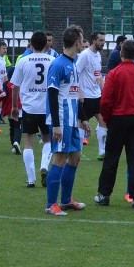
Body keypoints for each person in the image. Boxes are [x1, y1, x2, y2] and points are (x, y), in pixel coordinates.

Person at [94, 39, 134, 208]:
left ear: (121, 53)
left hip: (118, 119)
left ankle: (104, 195)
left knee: (111, 158)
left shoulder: (114, 73)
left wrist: (107, 118)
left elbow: (105, 100)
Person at [44, 24, 88, 216]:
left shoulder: (74, 63)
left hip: (72, 119)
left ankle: (66, 200)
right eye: (82, 40)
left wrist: (83, 118)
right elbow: (52, 96)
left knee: (75, 157)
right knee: (60, 158)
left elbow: (75, 94)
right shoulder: (58, 64)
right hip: (61, 119)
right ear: (77, 42)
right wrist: (55, 125)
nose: (84, 44)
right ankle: (51, 205)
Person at [10, 31, 55, 188]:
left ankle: (31, 180)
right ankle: (44, 166)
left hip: (29, 107)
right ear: (46, 44)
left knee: (28, 141)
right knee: (48, 139)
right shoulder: (52, 60)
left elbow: (15, 86)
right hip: (47, 108)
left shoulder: (23, 60)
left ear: (30, 43)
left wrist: (15, 106)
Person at [76, 31, 107, 159]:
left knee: (103, 122)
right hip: (86, 96)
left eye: (104, 40)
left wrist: (103, 90)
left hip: (97, 95)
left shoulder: (98, 55)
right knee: (83, 124)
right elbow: (76, 73)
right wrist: (79, 92)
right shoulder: (84, 55)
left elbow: (98, 74)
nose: (103, 43)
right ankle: (78, 152)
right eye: (101, 40)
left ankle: (102, 151)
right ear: (94, 40)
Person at [0, 66, 20, 154]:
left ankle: (13, 144)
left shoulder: (5, 84)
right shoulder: (20, 83)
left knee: (12, 126)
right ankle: (16, 142)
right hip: (18, 107)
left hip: (9, 108)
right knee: (18, 126)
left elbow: (3, 96)